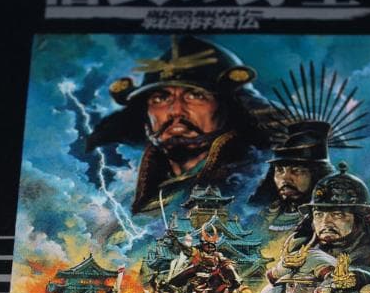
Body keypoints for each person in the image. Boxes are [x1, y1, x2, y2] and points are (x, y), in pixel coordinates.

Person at [86, 35, 276, 214]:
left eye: (195, 96)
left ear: (228, 108)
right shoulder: (126, 196)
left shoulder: (259, 181)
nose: (176, 110)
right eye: (161, 98)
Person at [285, 162, 370, 271]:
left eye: (337, 215)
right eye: (318, 214)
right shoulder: (302, 249)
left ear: (359, 218)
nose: (325, 222)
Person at [249, 121, 336, 232]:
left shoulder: (328, 221)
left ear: (317, 175)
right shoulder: (265, 215)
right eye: (280, 170)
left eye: (296, 170)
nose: (285, 178)